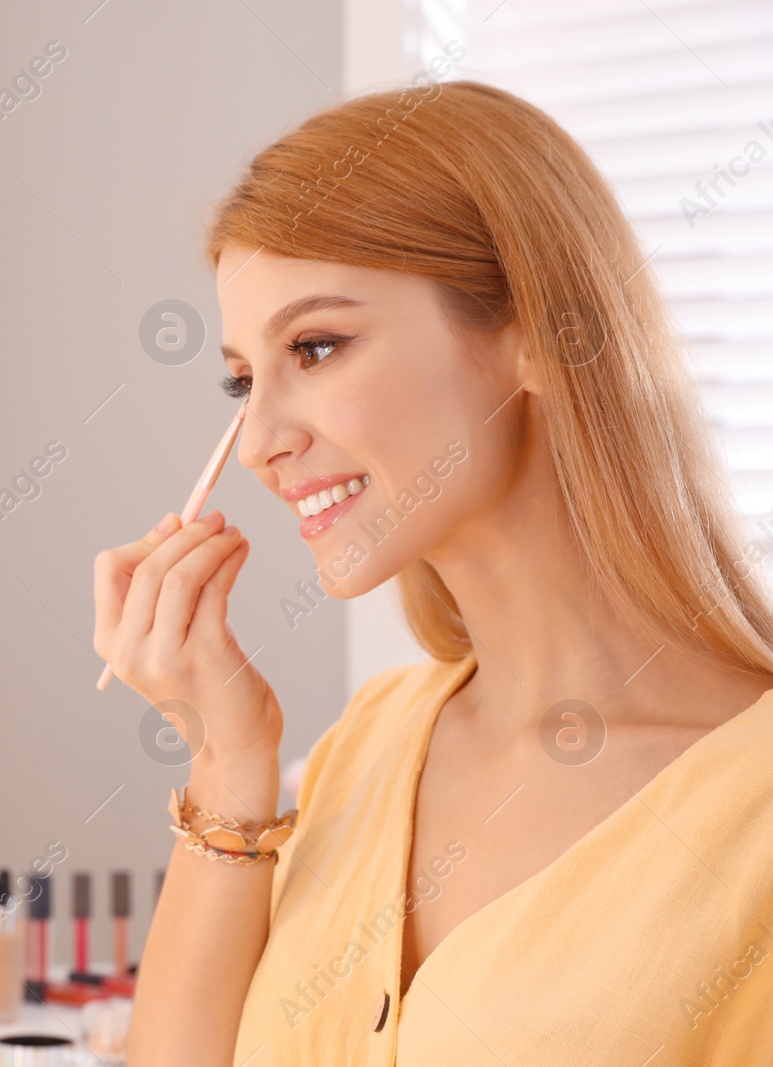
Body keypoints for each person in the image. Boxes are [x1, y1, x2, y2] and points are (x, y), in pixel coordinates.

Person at [93, 80, 773, 1065]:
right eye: (243, 381)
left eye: (315, 346)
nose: (259, 442)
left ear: (537, 333)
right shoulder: (363, 747)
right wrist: (226, 760)